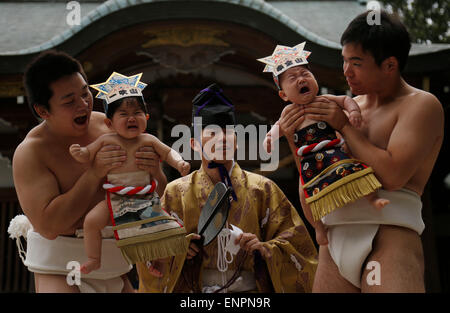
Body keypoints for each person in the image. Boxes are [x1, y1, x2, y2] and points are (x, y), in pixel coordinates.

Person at [278, 11, 444, 292]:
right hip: (333, 242)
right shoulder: (347, 106)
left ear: (390, 65)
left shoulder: (421, 105)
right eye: (344, 60)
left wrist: (343, 125)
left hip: (388, 238)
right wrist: (297, 144)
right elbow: (314, 189)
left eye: (356, 63)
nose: (346, 71)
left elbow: (392, 176)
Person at [136, 83, 318, 293]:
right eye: (212, 133)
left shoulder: (264, 189)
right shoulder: (176, 193)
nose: (221, 138)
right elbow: (150, 253)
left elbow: (299, 248)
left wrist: (263, 249)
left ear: (237, 141)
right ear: (194, 144)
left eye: (227, 132)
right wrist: (178, 249)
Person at [11, 51, 167, 292]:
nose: (83, 104)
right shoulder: (31, 152)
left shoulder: (110, 126)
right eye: (69, 101)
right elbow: (49, 226)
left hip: (116, 263)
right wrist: (94, 174)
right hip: (60, 268)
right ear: (43, 111)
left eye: (85, 93)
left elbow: (149, 191)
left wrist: (154, 172)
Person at [258, 42, 389, 246]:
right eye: (293, 78)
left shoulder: (325, 100)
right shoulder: (288, 113)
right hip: (308, 160)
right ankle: (319, 228)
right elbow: (278, 128)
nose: (301, 79)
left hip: (333, 150)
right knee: (304, 193)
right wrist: (269, 139)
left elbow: (346, 101)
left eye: (305, 74)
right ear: (283, 95)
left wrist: (353, 112)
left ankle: (373, 198)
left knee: (356, 169)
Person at [69, 72, 190, 275]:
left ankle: (154, 261)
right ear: (109, 123)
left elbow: (168, 152)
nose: (131, 118)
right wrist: (79, 153)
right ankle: (93, 258)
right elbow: (87, 154)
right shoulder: (107, 141)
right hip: (115, 197)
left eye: (137, 113)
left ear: (146, 118)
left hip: (144, 198)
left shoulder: (149, 140)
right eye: (124, 114)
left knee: (156, 231)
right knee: (91, 221)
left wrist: (179, 163)